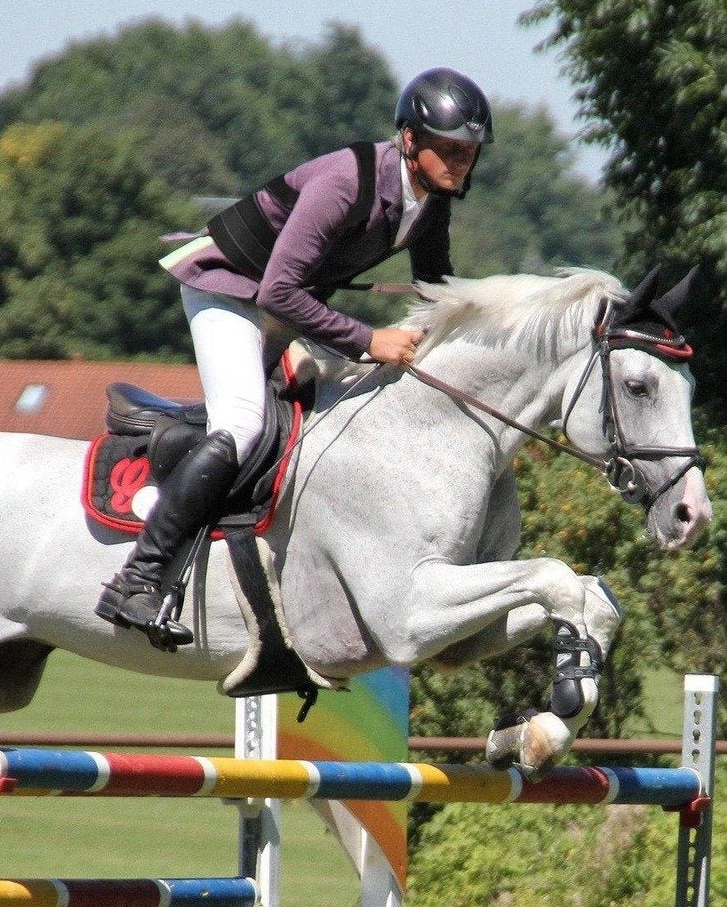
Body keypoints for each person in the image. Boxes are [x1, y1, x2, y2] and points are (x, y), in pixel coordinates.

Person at [96, 66, 493, 647]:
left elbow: (437, 292)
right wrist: (367, 341)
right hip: (227, 287)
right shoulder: (345, 182)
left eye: (469, 152)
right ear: (410, 140)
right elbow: (278, 292)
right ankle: (139, 577)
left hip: (283, 301)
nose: (460, 163)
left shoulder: (431, 202)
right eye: (449, 149)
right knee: (243, 424)